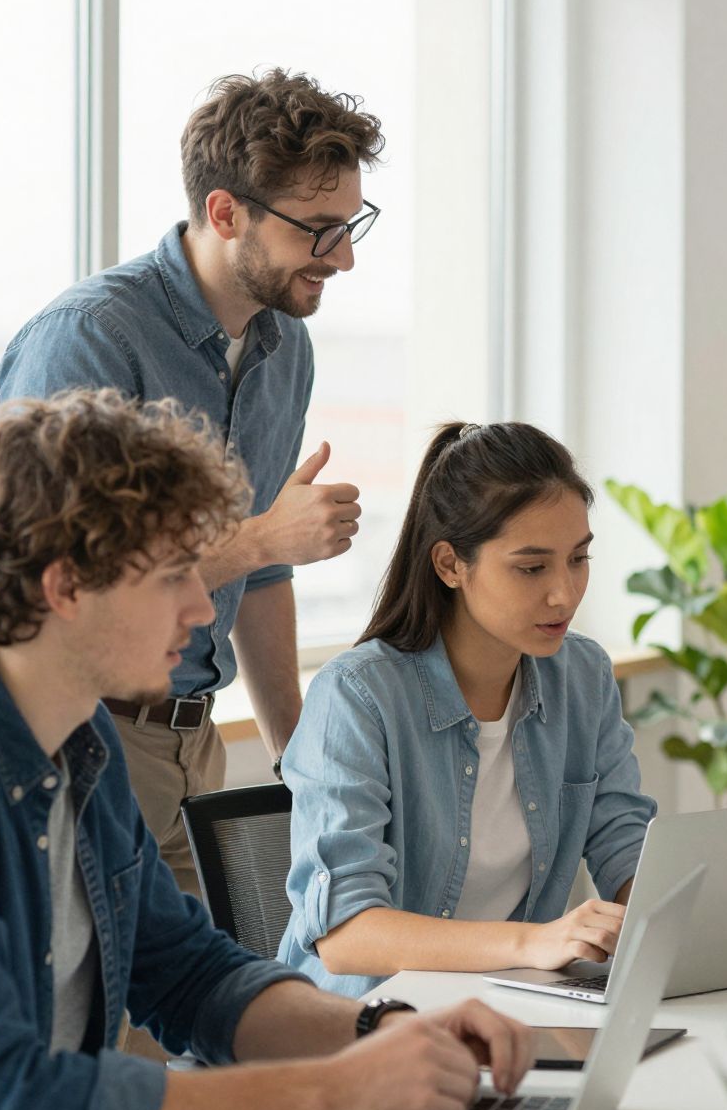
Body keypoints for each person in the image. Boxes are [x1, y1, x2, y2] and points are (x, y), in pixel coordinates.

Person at [0, 390, 534, 1110]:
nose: (203, 608)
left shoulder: (82, 739)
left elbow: (187, 975)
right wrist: (330, 1094)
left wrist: (382, 1032)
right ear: (65, 587)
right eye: (173, 573)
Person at [0, 69, 378, 901]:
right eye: (319, 231)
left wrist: (295, 760)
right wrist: (267, 536)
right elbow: (61, 587)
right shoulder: (90, 339)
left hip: (195, 743)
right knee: (102, 990)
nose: (344, 257)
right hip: (86, 735)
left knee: (228, 977)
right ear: (225, 212)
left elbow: (262, 575)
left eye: (350, 227)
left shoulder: (285, 347)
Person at [278, 422, 654, 998]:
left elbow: (625, 843)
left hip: (509, 1005)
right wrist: (532, 942)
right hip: (366, 1019)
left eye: (578, 558)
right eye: (532, 568)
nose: (565, 592)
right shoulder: (356, 696)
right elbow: (345, 932)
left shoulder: (582, 675)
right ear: (450, 564)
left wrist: (678, 925)